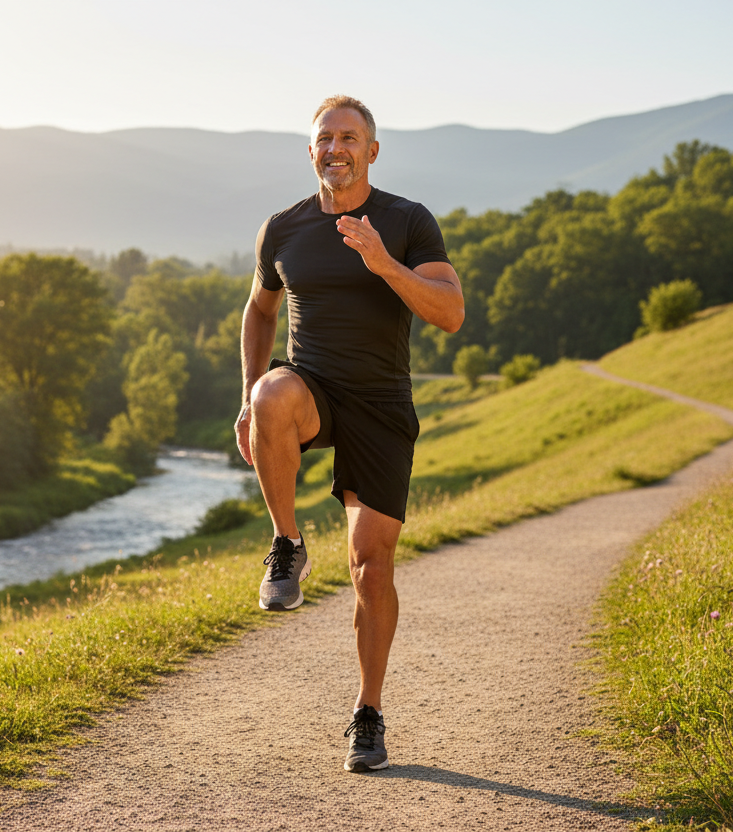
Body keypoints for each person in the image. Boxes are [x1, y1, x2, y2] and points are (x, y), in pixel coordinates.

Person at [235, 95, 464, 773]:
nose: (336, 148)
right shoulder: (282, 228)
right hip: (314, 390)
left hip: (382, 405)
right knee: (272, 395)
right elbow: (259, 309)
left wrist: (384, 263)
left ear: (371, 151)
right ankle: (287, 543)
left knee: (371, 564)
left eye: (349, 138)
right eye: (324, 139)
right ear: (311, 152)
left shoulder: (406, 220)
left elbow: (449, 313)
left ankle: (368, 712)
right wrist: (247, 395)